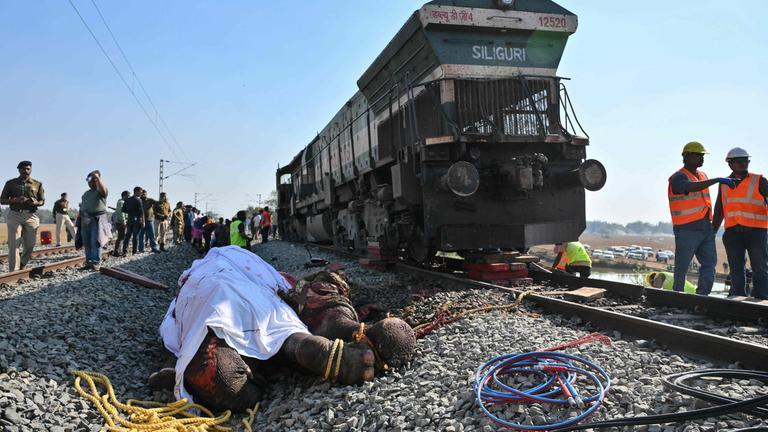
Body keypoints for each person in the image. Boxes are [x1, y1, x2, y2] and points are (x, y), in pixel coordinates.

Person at [152, 246, 414, 412]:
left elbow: (174, 323)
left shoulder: (197, 271)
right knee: (279, 307)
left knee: (217, 314)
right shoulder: (246, 259)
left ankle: (262, 359)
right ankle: (330, 330)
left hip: (210, 289)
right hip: (250, 279)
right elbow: (286, 286)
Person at [667, 141, 736, 296]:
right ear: (687, 156)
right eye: (699, 155)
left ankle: (702, 296)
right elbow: (688, 187)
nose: (702, 158)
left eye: (702, 155)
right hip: (687, 229)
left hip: (706, 228)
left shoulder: (702, 175)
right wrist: (717, 180)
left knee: (709, 265)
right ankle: (677, 297)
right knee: (682, 266)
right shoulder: (678, 177)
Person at [712, 147, 768, 299]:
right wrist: (712, 232)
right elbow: (719, 209)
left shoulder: (759, 181)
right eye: (739, 161)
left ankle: (762, 298)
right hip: (732, 233)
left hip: (756, 232)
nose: (744, 164)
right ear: (730, 164)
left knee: (760, 267)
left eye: (746, 161)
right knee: (736, 268)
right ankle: (737, 296)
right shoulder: (724, 183)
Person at [0, 161, 45, 271]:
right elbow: (2, 200)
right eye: (24, 169)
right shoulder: (10, 183)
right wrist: (15, 200)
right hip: (15, 215)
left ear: (31, 170)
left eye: (28, 169)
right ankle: (14, 271)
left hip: (31, 216)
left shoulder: (37, 184)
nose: (26, 171)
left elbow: (42, 200)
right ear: (19, 170)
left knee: (30, 245)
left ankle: (22, 263)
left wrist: (36, 203)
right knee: (14, 243)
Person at [79, 170, 110, 270]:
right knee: (87, 242)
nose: (91, 182)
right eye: (89, 180)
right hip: (86, 219)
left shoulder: (100, 191)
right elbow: (82, 206)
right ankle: (89, 262)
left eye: (93, 180)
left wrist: (97, 177)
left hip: (97, 219)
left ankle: (96, 262)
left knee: (95, 241)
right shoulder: (86, 194)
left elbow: (104, 191)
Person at [121, 187, 145, 255]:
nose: (141, 193)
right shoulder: (138, 200)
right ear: (136, 192)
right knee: (135, 237)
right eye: (140, 192)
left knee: (127, 236)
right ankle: (134, 252)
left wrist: (130, 211)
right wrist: (143, 221)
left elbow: (124, 210)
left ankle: (124, 252)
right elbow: (141, 212)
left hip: (130, 220)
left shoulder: (127, 200)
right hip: (136, 221)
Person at [109, 191, 129, 256]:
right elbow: (121, 213)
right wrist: (124, 222)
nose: (128, 197)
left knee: (121, 237)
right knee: (121, 237)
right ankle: (117, 251)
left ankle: (117, 251)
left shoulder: (121, 202)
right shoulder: (121, 202)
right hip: (121, 222)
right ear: (124, 196)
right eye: (128, 196)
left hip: (120, 222)